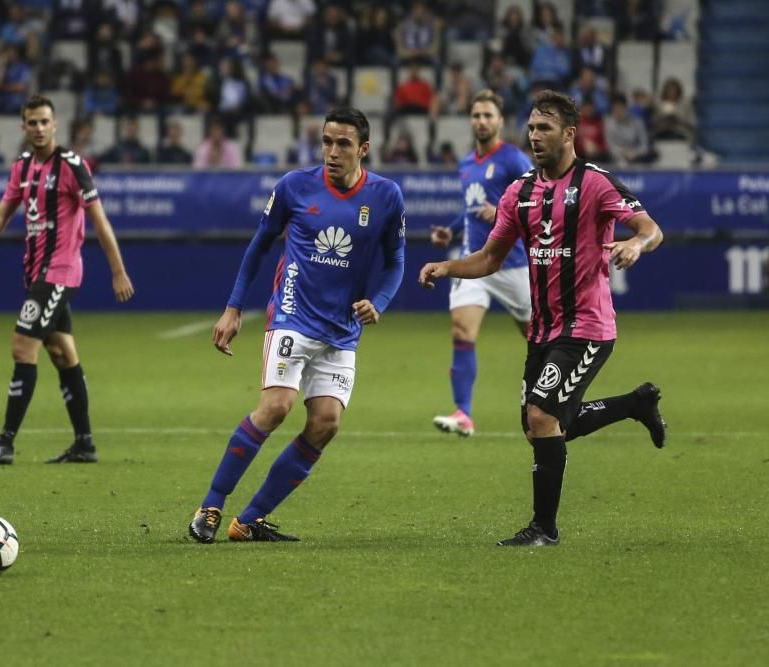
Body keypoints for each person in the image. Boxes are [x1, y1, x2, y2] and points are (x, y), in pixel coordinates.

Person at [419, 90, 667, 547]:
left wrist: (635, 244)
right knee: (541, 428)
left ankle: (544, 530)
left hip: (587, 326)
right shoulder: (521, 192)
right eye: (531, 128)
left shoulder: (596, 183)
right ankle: (635, 404)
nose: (534, 136)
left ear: (569, 134)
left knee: (541, 414)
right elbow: (492, 257)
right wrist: (447, 266)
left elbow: (651, 229)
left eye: (544, 128)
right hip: (543, 327)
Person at [188, 107, 406, 543]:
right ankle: (210, 506)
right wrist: (233, 308)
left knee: (326, 423)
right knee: (276, 407)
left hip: (342, 330)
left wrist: (378, 301)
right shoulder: (294, 186)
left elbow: (396, 261)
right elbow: (258, 247)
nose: (332, 151)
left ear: (364, 149)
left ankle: (248, 521)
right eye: (326, 141)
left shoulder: (386, 196)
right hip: (292, 315)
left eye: (343, 143)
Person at [0, 94, 135, 465]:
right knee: (62, 353)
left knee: (22, 346)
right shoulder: (21, 168)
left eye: (44, 121)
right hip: (36, 271)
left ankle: (5, 442)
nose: (38, 128)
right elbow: (0, 217)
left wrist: (118, 270)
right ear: (23, 126)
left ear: (54, 124)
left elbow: (99, 219)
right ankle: (85, 444)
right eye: (31, 122)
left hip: (59, 274)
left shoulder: (72, 166)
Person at [428, 90, 533, 437]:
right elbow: (470, 208)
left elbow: (539, 203)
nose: (482, 121)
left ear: (500, 121)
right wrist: (451, 230)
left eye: (488, 115)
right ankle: (464, 414)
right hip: (474, 259)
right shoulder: (466, 164)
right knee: (462, 330)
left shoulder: (515, 160)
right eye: (476, 116)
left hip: (512, 262)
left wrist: (503, 211)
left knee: (538, 337)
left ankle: (551, 394)